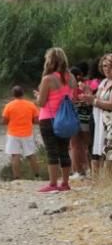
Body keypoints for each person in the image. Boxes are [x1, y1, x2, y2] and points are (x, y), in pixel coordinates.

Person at [35, 47, 77, 193]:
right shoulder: (71, 78)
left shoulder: (48, 79)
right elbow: (73, 97)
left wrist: (37, 96)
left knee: (51, 151)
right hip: (66, 119)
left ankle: (53, 183)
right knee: (64, 150)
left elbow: (41, 103)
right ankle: (65, 183)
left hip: (49, 119)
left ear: (50, 61)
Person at [2, 85, 39, 180]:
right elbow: (36, 120)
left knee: (15, 155)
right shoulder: (30, 104)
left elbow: (4, 121)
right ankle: (37, 175)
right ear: (23, 93)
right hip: (27, 133)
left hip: (13, 133)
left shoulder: (9, 105)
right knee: (31, 154)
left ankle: (17, 178)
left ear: (13, 94)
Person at [83, 54, 112, 175]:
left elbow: (111, 105)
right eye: (105, 65)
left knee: (109, 152)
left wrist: (94, 101)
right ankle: (99, 182)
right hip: (99, 121)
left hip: (109, 123)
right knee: (98, 150)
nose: (107, 68)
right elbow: (97, 99)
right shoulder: (104, 82)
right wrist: (88, 93)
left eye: (110, 66)